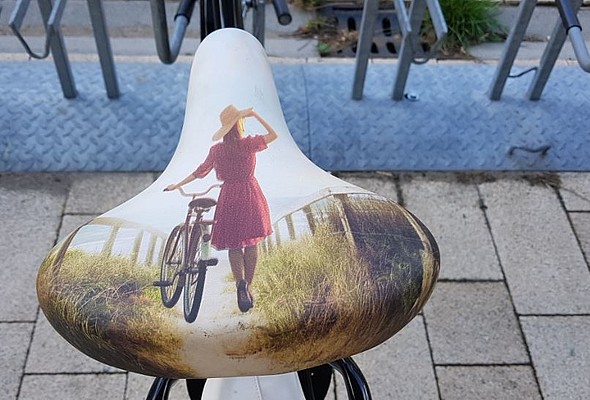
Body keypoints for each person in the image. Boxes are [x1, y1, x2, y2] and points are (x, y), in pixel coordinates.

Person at [165, 104, 277, 312]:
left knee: (235, 245)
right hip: (250, 193)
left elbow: (200, 172)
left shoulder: (217, 150)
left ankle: (239, 283)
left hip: (229, 196)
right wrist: (254, 114)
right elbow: (273, 134)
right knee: (252, 243)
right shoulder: (248, 145)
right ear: (239, 124)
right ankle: (248, 287)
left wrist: (177, 185)